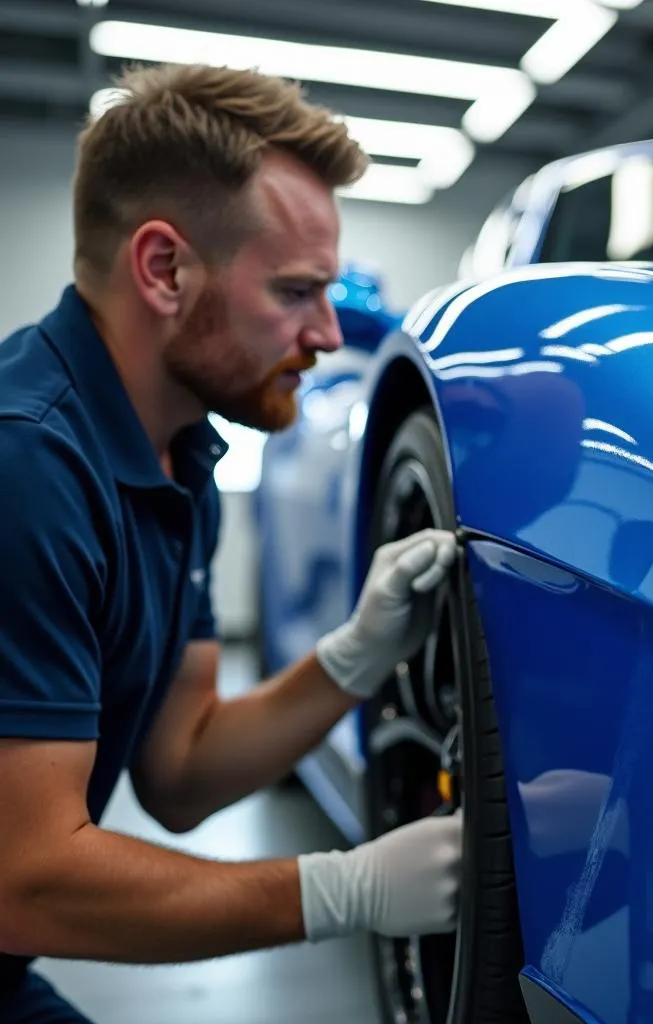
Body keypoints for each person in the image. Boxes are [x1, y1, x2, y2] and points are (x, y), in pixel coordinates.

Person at [0, 62, 461, 1022]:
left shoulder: (179, 456)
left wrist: (352, 660)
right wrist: (338, 891)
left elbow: (179, 769)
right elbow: (28, 879)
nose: (330, 334)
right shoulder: (27, 468)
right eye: (296, 291)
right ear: (164, 268)